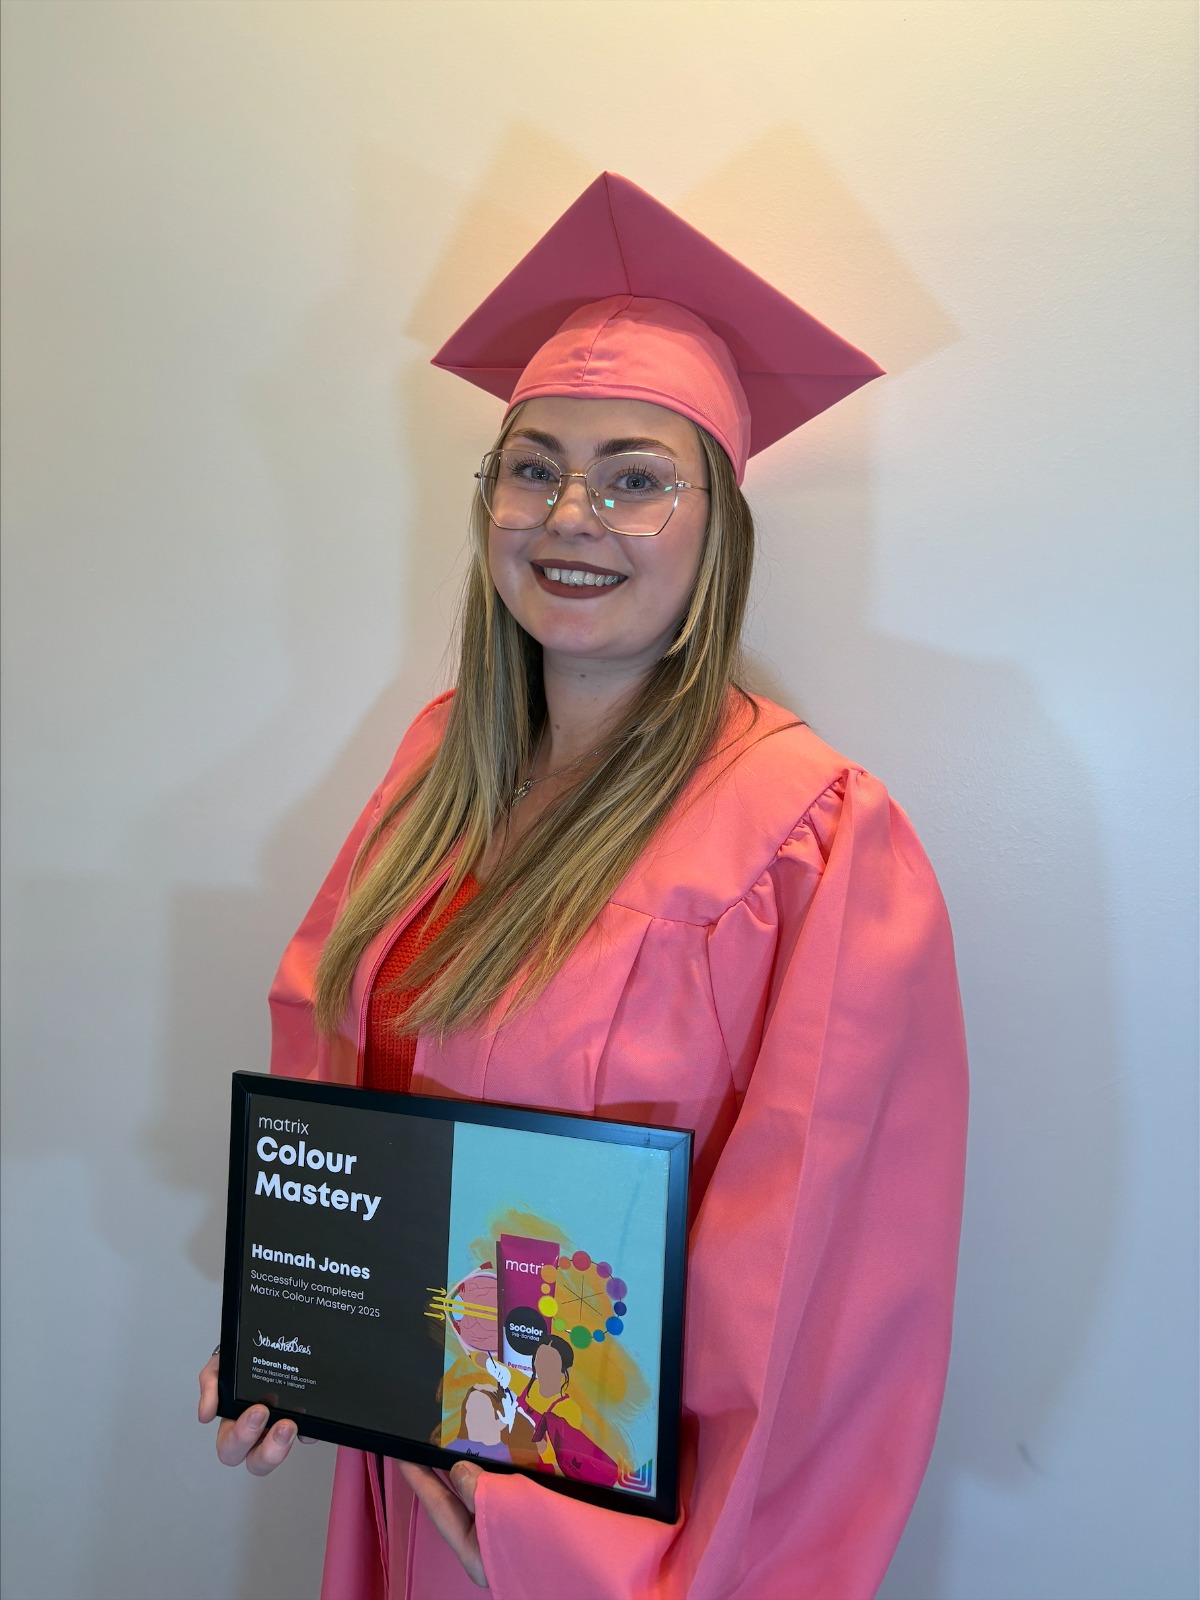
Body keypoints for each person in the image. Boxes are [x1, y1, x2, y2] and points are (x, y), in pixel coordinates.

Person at [198, 173, 968, 1599]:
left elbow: (820, 1293)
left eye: (633, 476)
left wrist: (581, 1551)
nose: (571, 513)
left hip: (594, 1545)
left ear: (716, 528)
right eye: (533, 465)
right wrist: (295, 1329)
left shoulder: (811, 838)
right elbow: (336, 1076)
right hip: (409, 1471)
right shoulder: (441, 766)